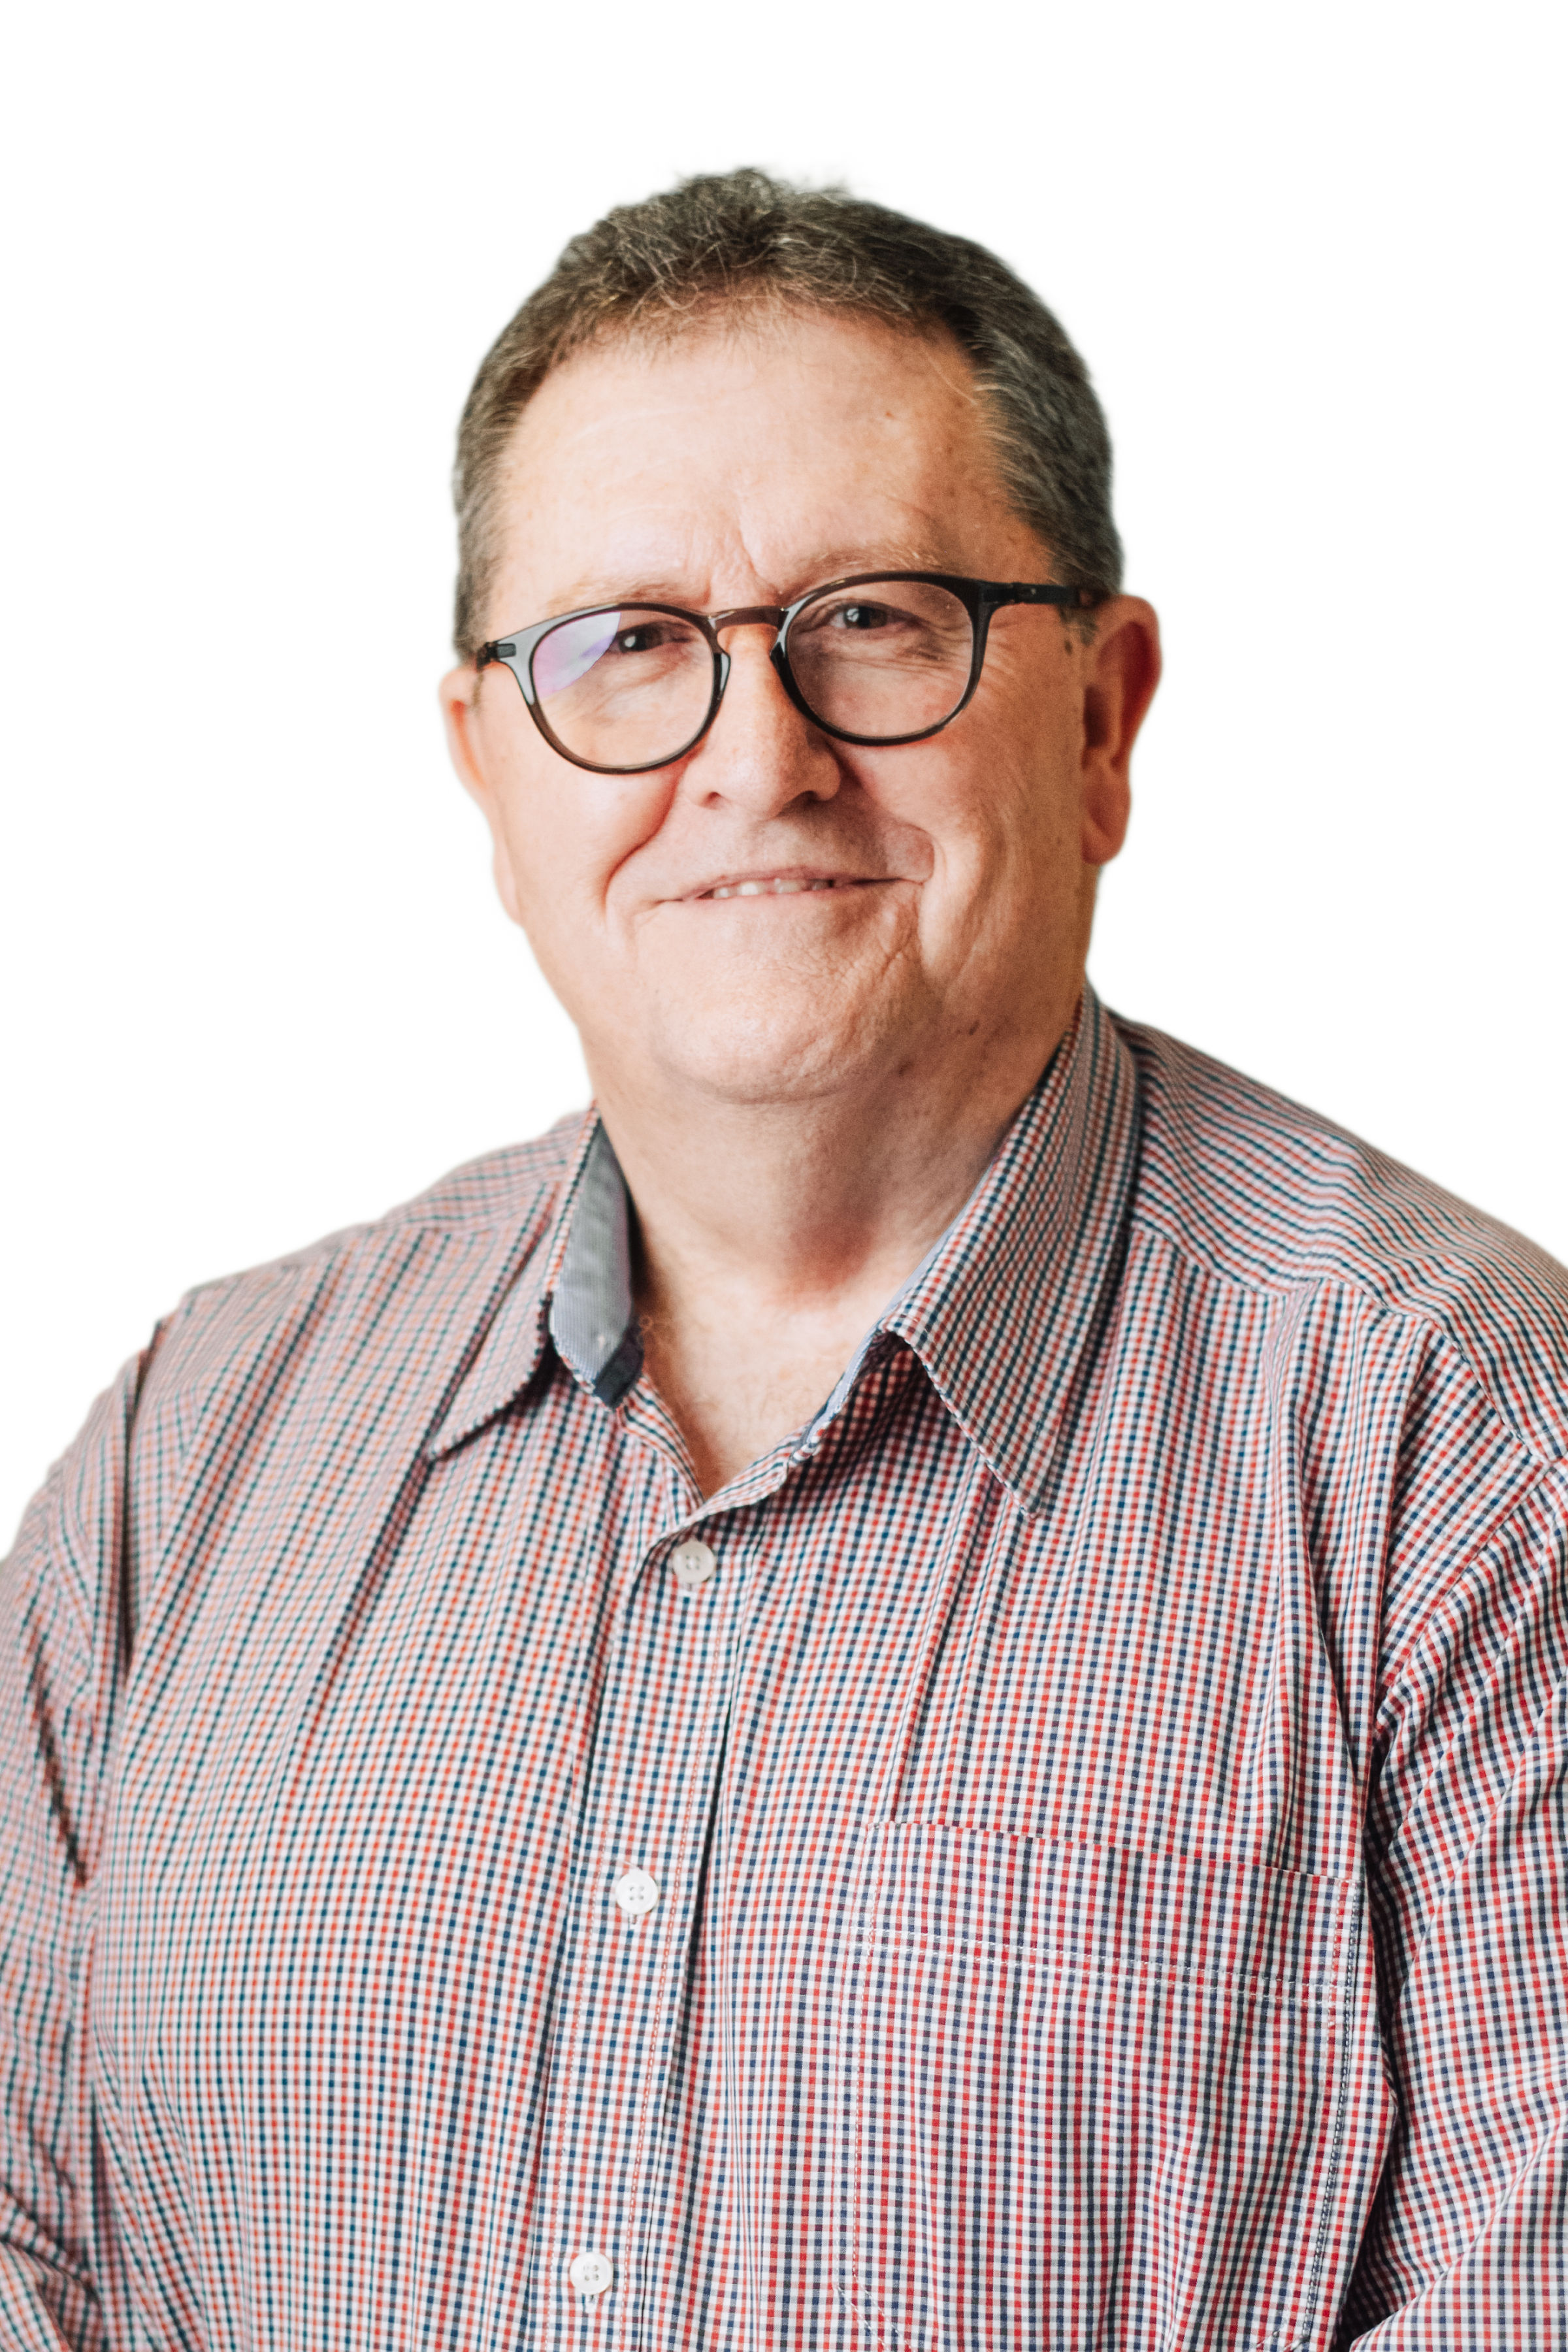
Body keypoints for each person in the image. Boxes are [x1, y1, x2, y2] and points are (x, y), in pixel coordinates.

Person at [3, 169, 1565, 2352]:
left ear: (1103, 721)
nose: (756, 759)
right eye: (628, 645)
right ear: (488, 771)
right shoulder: (194, 1457)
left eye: (876, 621)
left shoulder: (1472, 1456)